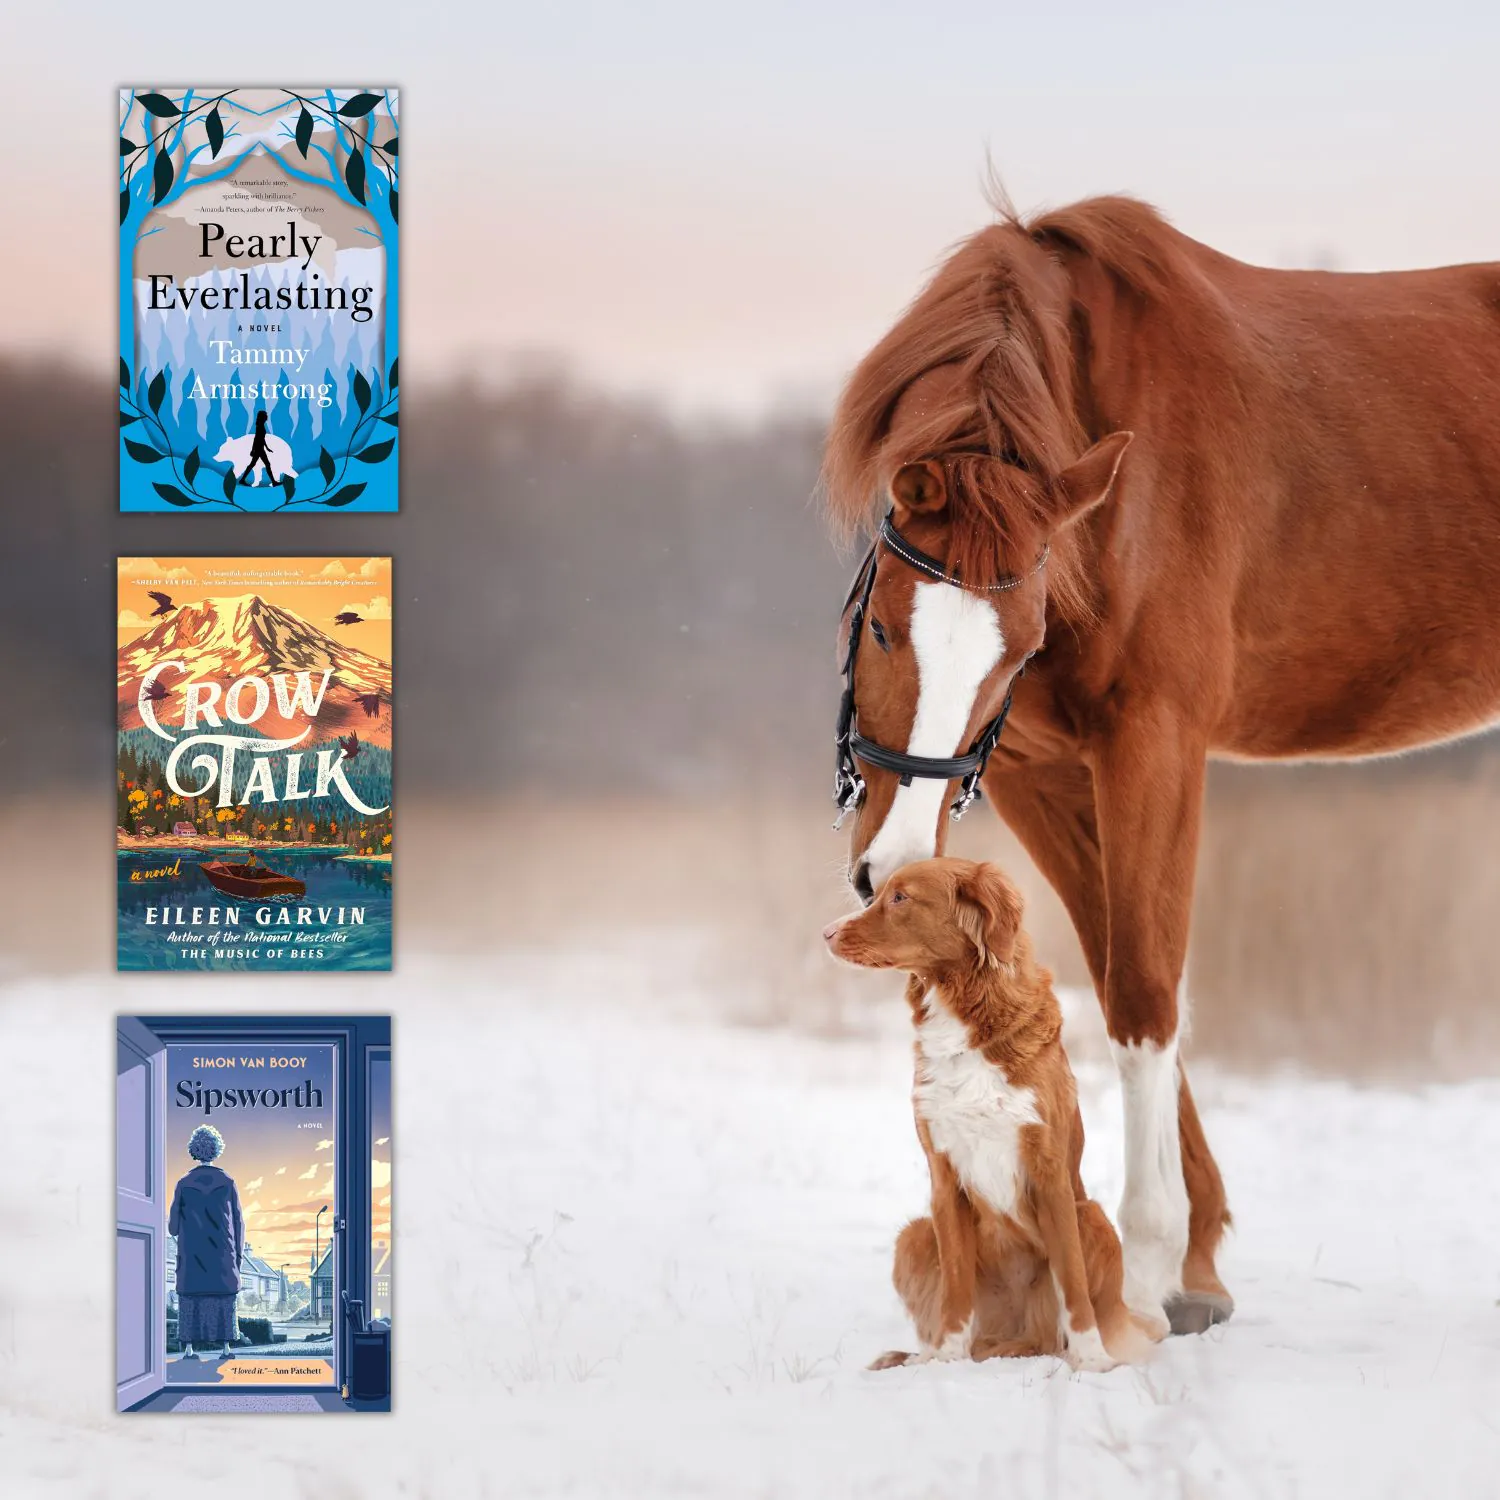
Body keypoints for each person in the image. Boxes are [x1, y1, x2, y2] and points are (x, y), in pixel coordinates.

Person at [168, 1124, 244, 1362]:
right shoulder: (228, 1181)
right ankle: (226, 1349)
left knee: (190, 1302)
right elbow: (239, 1222)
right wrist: (237, 1257)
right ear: (216, 1150)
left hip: (192, 1262)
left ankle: (189, 1350)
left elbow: (172, 1226)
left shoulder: (183, 1183)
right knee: (224, 1303)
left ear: (194, 1150)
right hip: (223, 1260)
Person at [239, 410, 277, 485]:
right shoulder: (260, 426)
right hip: (259, 449)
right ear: (263, 417)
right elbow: (256, 438)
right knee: (266, 464)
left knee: (253, 464)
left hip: (260, 448)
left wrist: (267, 448)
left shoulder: (261, 425)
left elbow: (262, 438)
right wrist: (253, 449)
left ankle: (242, 479)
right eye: (265, 415)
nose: (267, 417)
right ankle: (273, 482)